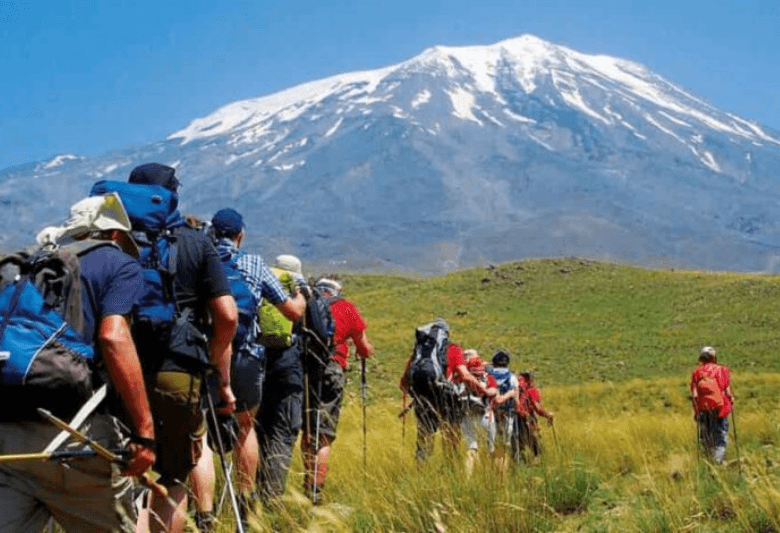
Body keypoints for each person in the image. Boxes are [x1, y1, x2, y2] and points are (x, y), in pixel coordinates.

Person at [0, 194, 156, 533]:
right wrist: (145, 433)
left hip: (9, 431)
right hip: (75, 436)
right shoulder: (119, 263)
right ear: (115, 234)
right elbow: (114, 338)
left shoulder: (34, 262)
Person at [124, 163, 238, 533]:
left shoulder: (114, 240)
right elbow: (227, 316)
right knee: (173, 477)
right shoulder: (196, 242)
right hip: (179, 369)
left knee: (128, 474)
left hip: (121, 372)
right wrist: (214, 364)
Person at [189, 209, 306, 529]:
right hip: (246, 358)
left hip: (204, 357)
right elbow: (293, 312)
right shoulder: (254, 264)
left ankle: (204, 517)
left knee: (200, 436)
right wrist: (300, 295)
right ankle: (245, 506)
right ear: (240, 236)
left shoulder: (199, 261)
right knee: (245, 427)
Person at [299, 277, 374, 505]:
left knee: (308, 430)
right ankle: (316, 490)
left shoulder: (306, 303)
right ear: (337, 290)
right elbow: (364, 348)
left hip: (305, 370)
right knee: (324, 434)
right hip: (332, 369)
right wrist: (361, 350)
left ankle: (306, 483)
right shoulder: (346, 307)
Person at [399, 319, 493, 463]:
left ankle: (421, 468)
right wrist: (483, 390)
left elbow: (403, 383)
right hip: (446, 397)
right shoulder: (454, 349)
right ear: (446, 334)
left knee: (425, 436)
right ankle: (450, 466)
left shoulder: (420, 351)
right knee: (450, 435)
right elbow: (465, 375)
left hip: (423, 396)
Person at [254, 254, 307, 504]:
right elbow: (319, 333)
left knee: (257, 430)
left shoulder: (260, 283)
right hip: (288, 368)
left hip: (257, 364)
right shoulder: (298, 292)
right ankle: (272, 497)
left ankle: (250, 492)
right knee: (283, 432)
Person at [690, 346, 734, 464]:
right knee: (720, 437)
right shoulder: (723, 370)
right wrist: (731, 401)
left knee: (705, 438)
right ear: (714, 357)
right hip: (719, 409)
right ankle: (718, 464)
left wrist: (696, 412)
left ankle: (707, 464)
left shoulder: (697, 372)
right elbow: (728, 392)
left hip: (703, 409)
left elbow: (694, 395)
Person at [460, 350, 497, 476]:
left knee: (472, 448)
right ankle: (493, 476)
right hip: (486, 414)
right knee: (491, 448)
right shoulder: (488, 377)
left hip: (466, 415)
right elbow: (493, 393)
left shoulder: (461, 377)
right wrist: (485, 391)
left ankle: (467, 478)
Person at [486, 350, 520, 468]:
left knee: (492, 443)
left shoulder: (488, 375)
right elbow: (516, 398)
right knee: (505, 444)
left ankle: (492, 468)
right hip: (507, 413)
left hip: (490, 413)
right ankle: (502, 471)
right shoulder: (512, 377)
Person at [515, 371, 554, 460]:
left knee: (521, 443)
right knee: (534, 441)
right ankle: (535, 459)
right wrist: (547, 415)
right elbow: (537, 408)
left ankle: (522, 461)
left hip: (516, 419)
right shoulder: (531, 391)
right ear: (529, 380)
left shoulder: (518, 391)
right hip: (528, 419)